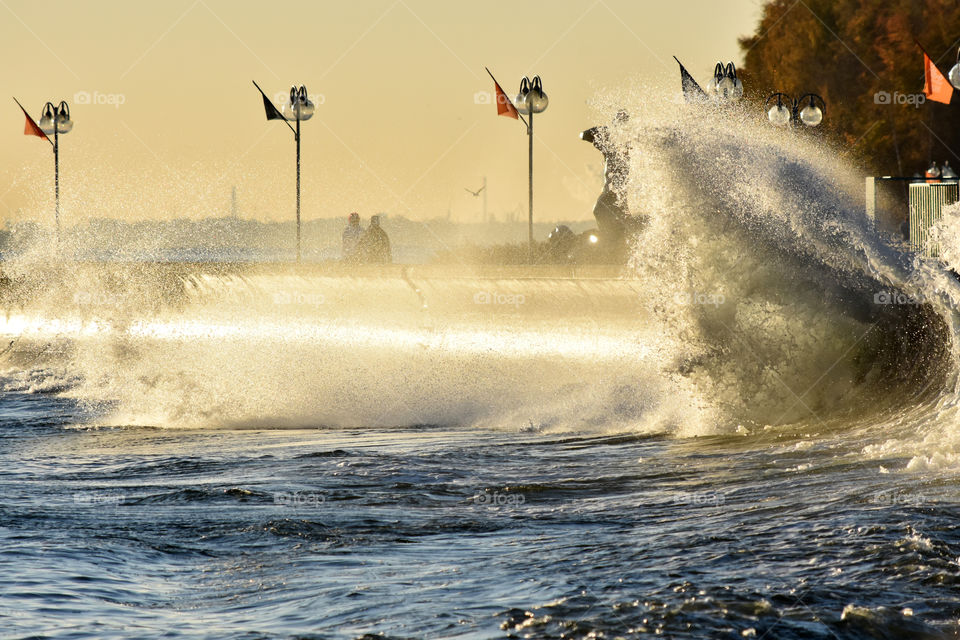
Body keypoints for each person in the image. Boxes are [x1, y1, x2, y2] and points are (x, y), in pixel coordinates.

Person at [580, 110, 644, 260]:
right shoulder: (610, 143)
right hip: (612, 196)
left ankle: (617, 251)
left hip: (620, 198)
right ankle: (613, 249)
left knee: (618, 222)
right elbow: (583, 135)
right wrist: (607, 131)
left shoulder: (632, 146)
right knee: (603, 212)